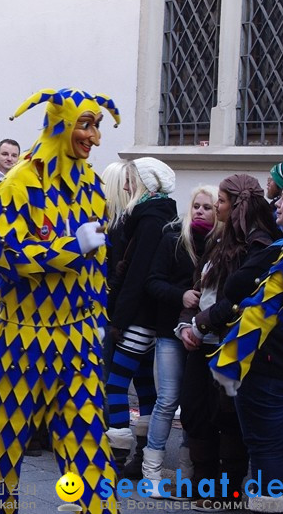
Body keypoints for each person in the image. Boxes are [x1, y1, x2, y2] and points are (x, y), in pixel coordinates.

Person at [0, 88, 120, 514]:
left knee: (88, 440)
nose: (95, 137)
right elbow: (3, 253)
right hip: (23, 342)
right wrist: (69, 248)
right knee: (5, 442)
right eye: (86, 124)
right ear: (61, 125)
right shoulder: (21, 182)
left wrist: (95, 315)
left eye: (96, 126)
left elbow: (97, 264)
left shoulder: (92, 184)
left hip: (77, 341)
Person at [175, 174, 280, 510]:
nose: (215, 207)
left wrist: (203, 325)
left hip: (228, 342)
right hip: (200, 340)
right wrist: (187, 325)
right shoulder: (219, 242)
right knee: (194, 412)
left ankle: (228, 490)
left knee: (228, 419)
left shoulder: (258, 246)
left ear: (237, 205)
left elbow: (238, 299)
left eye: (219, 201)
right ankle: (203, 483)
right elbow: (199, 291)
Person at [209, 181, 283, 513]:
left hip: (269, 363)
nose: (278, 204)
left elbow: (237, 285)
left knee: (265, 448)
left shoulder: (276, 250)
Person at [142, 185, 218, 497]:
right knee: (168, 399)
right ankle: (152, 473)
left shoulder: (221, 245)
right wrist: (181, 294)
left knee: (195, 403)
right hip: (169, 332)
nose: (199, 211)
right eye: (196, 206)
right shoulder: (174, 238)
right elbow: (153, 282)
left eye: (208, 207)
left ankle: (188, 474)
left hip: (203, 336)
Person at [104, 157, 178, 478]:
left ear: (146, 183)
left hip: (137, 317)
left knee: (116, 383)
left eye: (130, 179)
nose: (124, 185)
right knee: (145, 384)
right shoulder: (159, 214)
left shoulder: (148, 218)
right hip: (148, 317)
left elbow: (137, 275)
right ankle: (139, 456)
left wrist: (118, 319)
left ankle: (118, 455)